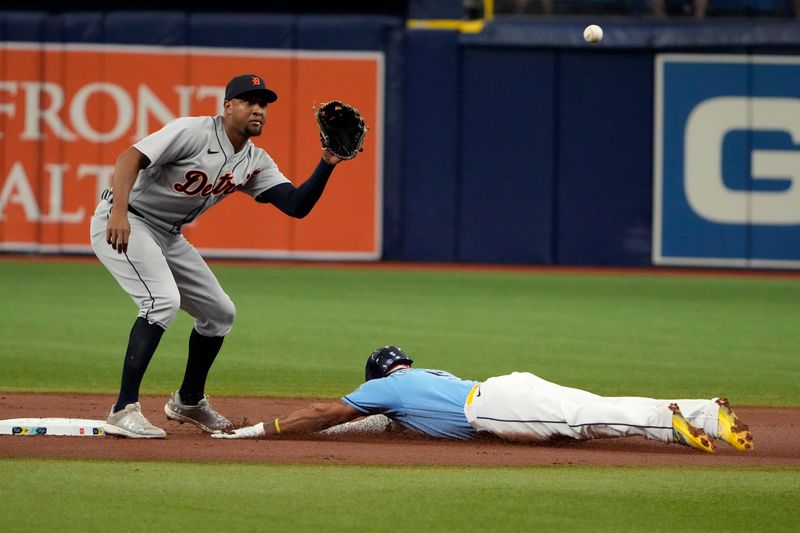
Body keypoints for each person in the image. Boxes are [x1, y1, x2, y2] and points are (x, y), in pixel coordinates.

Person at [91, 74, 353, 438]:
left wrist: (327, 162)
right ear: (227, 106)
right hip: (127, 220)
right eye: (249, 101)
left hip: (167, 234)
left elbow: (296, 205)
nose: (258, 110)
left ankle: (188, 400)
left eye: (263, 104)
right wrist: (118, 212)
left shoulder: (254, 161)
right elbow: (129, 157)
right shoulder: (193, 131)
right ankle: (123, 410)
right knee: (162, 301)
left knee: (219, 313)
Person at [213, 346, 755, 454]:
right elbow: (378, 426)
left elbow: (329, 414)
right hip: (503, 387)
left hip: (490, 404)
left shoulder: (386, 388)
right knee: (586, 408)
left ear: (375, 378)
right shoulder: (421, 378)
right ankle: (704, 409)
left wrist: (265, 430)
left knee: (583, 415)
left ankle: (670, 418)